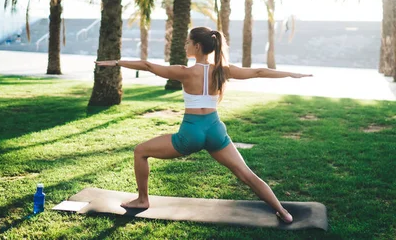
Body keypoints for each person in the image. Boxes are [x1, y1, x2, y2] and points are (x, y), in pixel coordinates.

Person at [94, 27, 312, 224]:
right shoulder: (222, 70)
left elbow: (149, 66)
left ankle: (142, 200)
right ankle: (282, 212)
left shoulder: (185, 72)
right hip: (215, 131)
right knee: (247, 175)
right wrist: (291, 73)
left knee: (141, 151)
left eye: (188, 42)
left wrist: (116, 63)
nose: (186, 45)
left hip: (191, 133)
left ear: (197, 46)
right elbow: (258, 72)